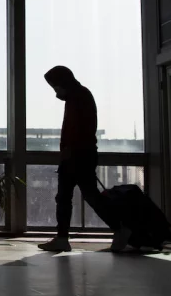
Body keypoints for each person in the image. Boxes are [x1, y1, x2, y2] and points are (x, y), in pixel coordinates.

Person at [38, 66, 129, 253]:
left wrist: (69, 152)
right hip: (79, 155)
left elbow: (79, 130)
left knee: (76, 197)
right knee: (80, 196)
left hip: (77, 156)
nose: (56, 91)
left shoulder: (78, 98)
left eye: (56, 87)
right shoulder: (78, 96)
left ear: (63, 83)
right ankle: (116, 229)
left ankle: (118, 228)